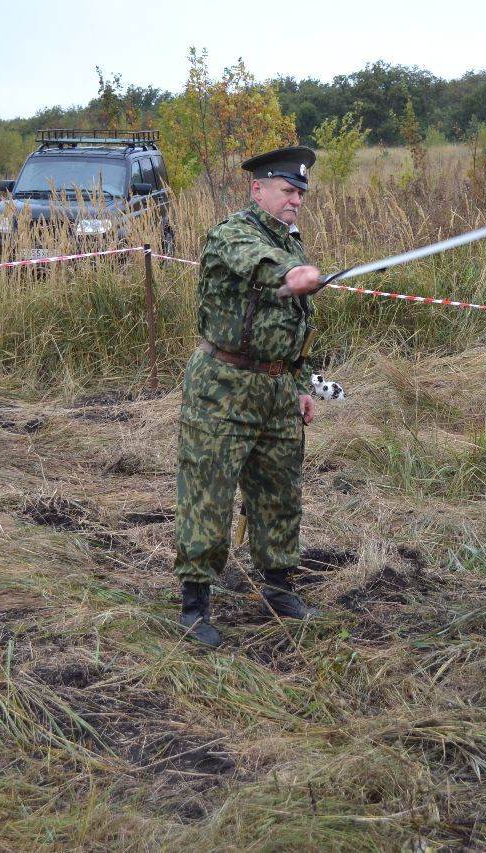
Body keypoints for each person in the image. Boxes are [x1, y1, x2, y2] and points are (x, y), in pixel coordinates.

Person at [173, 145, 322, 648]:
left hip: (277, 390)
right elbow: (255, 263)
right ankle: (195, 604)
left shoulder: (292, 242)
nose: (295, 200)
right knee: (208, 495)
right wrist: (288, 273)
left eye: (300, 193)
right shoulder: (232, 234)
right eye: (287, 190)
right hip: (223, 390)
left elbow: (292, 322)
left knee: (280, 495)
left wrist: (299, 385)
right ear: (257, 189)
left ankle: (278, 588)